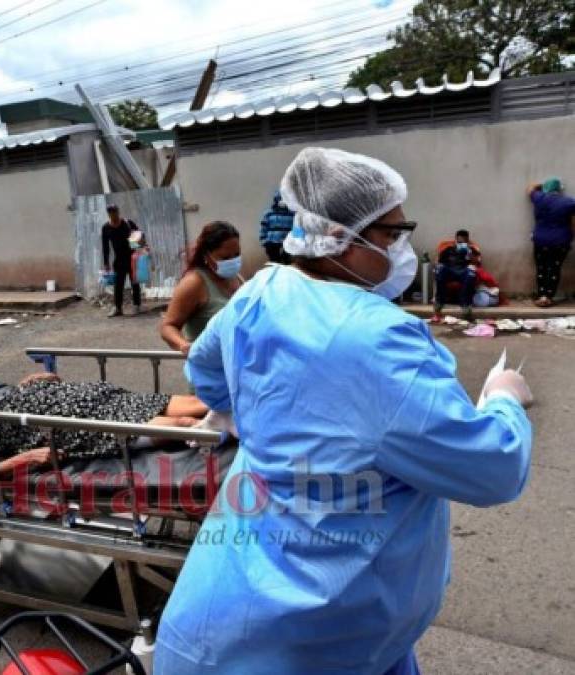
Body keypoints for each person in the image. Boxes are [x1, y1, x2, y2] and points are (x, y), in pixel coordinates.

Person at [155, 147, 533, 675]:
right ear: (339, 238)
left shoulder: (260, 290)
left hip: (232, 603)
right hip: (316, 631)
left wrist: (275, 417)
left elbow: (207, 372)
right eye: (390, 234)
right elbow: (492, 467)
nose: (403, 248)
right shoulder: (378, 338)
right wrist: (504, 399)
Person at [0, 373, 209, 491]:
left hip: (106, 398)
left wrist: (40, 382)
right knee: (184, 424)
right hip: (88, 422)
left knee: (202, 404)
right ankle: (238, 428)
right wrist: (22, 460)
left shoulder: (3, 398)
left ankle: (242, 409)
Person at [160, 221, 243, 355]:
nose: (233, 261)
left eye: (237, 254)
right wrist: (184, 345)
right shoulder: (194, 283)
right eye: (225, 257)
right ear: (207, 256)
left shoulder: (236, 277)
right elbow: (168, 326)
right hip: (208, 369)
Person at [529, 178, 575, 307]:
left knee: (541, 268)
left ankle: (541, 295)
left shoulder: (539, 198)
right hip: (560, 241)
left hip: (540, 240)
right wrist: (571, 236)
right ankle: (548, 297)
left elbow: (530, 188)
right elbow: (573, 223)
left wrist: (541, 184)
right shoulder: (569, 202)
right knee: (554, 268)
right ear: (559, 190)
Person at [101, 204, 140, 317]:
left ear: (118, 212)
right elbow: (105, 246)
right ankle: (118, 308)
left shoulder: (128, 224)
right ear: (108, 214)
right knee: (118, 285)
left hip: (131, 258)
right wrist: (106, 262)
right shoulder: (106, 228)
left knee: (135, 283)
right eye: (111, 212)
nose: (113, 214)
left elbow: (138, 238)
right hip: (118, 260)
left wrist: (139, 253)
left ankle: (136, 305)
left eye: (115, 212)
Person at [432, 229, 476, 321]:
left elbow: (476, 263)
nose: (461, 244)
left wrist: (469, 253)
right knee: (440, 270)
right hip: (449, 271)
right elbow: (437, 261)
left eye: (463, 242)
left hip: (463, 271)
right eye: (459, 242)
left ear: (467, 242)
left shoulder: (470, 250)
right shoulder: (448, 249)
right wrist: (438, 265)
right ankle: (439, 302)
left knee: (471, 273)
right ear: (455, 240)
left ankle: (466, 305)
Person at [259, 190, 294, 262]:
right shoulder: (269, 213)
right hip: (272, 243)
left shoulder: (292, 214)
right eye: (281, 198)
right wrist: (264, 241)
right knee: (275, 263)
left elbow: (296, 229)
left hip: (287, 244)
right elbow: (263, 227)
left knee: (287, 264)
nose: (283, 201)